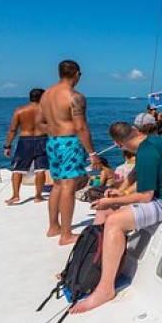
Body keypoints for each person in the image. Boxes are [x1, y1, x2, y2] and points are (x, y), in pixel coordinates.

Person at [70, 121, 162, 314]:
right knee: (103, 212)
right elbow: (135, 173)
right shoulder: (151, 142)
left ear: (118, 144)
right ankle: (86, 263)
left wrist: (113, 201)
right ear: (135, 130)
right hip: (159, 196)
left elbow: (145, 196)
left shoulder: (146, 152)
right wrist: (118, 191)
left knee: (113, 221)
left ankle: (105, 289)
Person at [38, 60, 100, 246]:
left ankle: (53, 227)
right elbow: (80, 127)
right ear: (77, 74)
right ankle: (66, 235)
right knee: (68, 187)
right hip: (69, 143)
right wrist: (92, 153)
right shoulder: (75, 97)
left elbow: (39, 122)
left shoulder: (46, 94)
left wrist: (55, 133)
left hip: (53, 142)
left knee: (58, 185)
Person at [3, 88, 50, 204]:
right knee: (40, 169)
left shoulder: (20, 111)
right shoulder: (47, 111)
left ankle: (15, 195)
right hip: (42, 140)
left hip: (25, 141)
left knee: (18, 169)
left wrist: (7, 146)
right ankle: (38, 196)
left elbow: (13, 130)